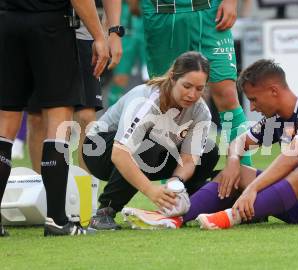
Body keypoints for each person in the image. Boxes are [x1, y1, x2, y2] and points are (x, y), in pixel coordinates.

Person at [122, 59, 298, 229]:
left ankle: (227, 218)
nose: (251, 107)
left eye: (253, 99)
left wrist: (253, 188)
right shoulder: (276, 119)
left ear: (274, 91)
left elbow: (295, 154)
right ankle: (174, 218)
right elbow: (240, 143)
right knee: (235, 174)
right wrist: (233, 163)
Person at [0, 0, 109, 237]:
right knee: (58, 121)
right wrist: (99, 36)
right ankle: (58, 220)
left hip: (8, 23)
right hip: (50, 26)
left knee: (5, 125)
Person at [83, 51, 219, 230]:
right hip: (99, 150)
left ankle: (185, 206)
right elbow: (119, 153)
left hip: (150, 151)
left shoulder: (201, 111)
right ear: (172, 78)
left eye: (199, 89)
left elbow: (188, 159)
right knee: (151, 143)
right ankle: (104, 212)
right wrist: (151, 191)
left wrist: (175, 182)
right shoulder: (145, 100)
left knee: (209, 151)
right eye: (187, 86)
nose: (192, 95)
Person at [132, 0, 252, 166]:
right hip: (162, 13)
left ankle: (244, 174)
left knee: (227, 94)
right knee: (168, 100)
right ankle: (172, 186)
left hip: (211, 12)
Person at [26, 0, 123, 174]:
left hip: (85, 34)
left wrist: (113, 31)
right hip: (41, 31)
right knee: (37, 117)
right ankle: (41, 190)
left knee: (86, 117)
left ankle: (86, 193)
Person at [107, 0, 148, 106]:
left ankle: (149, 114)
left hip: (148, 31)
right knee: (120, 78)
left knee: (152, 79)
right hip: (125, 33)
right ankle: (113, 114)